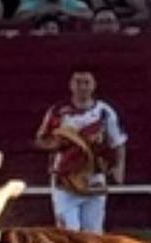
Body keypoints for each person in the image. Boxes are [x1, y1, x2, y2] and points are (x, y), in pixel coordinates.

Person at [34, 69, 128, 234]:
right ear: (71, 85)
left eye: (86, 82)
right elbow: (40, 139)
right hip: (65, 179)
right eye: (78, 82)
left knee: (94, 233)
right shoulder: (57, 111)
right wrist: (55, 144)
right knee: (68, 234)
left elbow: (118, 142)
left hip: (94, 177)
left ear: (94, 85)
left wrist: (119, 168)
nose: (82, 87)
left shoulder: (104, 112)